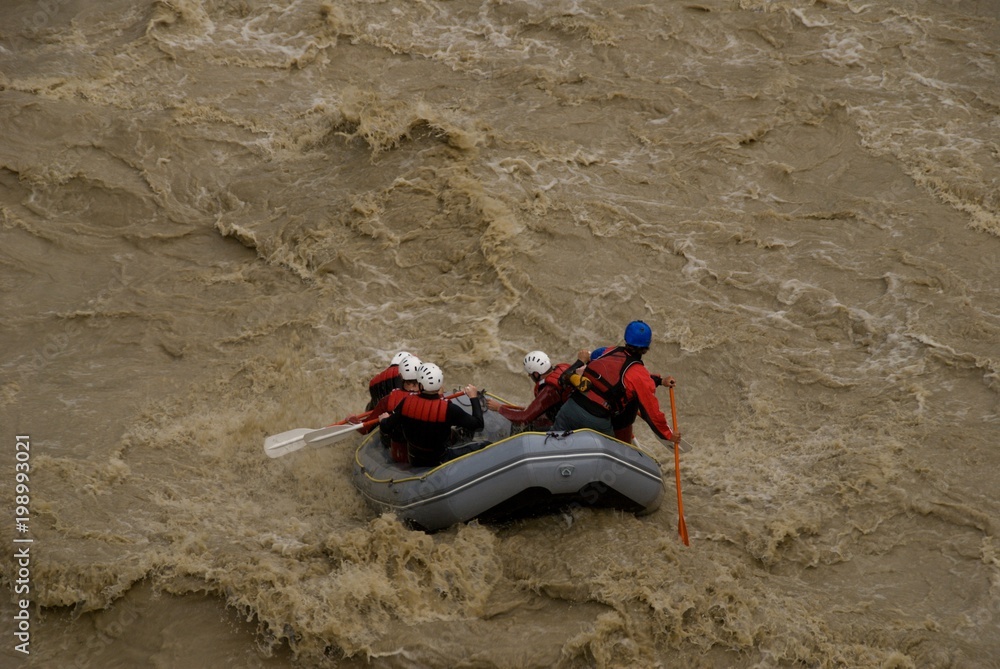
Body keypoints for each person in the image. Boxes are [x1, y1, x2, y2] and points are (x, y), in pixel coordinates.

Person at [552, 320, 680, 449]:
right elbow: (651, 413)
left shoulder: (608, 351)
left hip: (570, 408)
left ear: (626, 338)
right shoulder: (639, 374)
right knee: (613, 455)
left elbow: (608, 369)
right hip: (596, 420)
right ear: (647, 347)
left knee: (553, 443)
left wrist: (659, 380)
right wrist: (668, 435)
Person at [379, 363, 484, 467]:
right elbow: (478, 425)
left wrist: (384, 419)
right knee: (484, 444)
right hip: (440, 459)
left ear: (420, 384)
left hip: (414, 459)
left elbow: (386, 427)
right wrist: (473, 397)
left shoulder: (407, 402)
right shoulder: (449, 409)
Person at [485, 350, 580, 430]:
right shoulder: (562, 369)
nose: (529, 376)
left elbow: (524, 418)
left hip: (566, 424)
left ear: (536, 374)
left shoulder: (549, 391)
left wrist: (499, 409)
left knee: (528, 426)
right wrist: (504, 406)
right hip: (570, 413)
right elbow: (534, 410)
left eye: (530, 374)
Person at [361, 355, 421, 462]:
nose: (412, 388)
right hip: (428, 451)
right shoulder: (433, 395)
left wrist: (353, 420)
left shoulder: (388, 400)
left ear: (401, 377)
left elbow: (364, 429)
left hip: (402, 455)